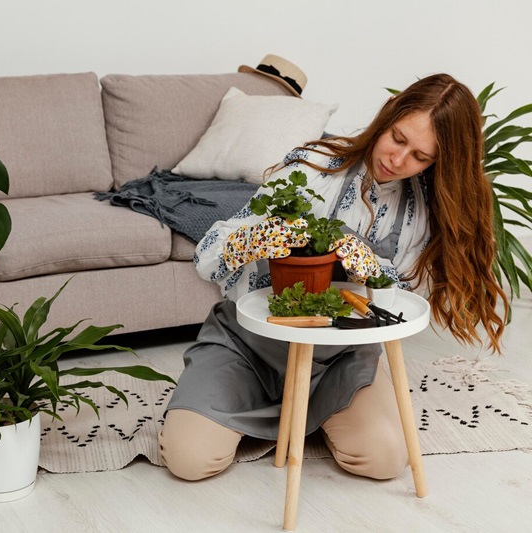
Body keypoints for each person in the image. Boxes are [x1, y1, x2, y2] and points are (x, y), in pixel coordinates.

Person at [158, 73, 509, 482]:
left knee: (384, 460)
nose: (398, 161)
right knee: (189, 459)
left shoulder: (422, 209)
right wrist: (254, 240)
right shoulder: (311, 167)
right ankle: (288, 415)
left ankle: (315, 412)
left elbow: (405, 296)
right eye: (397, 138)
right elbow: (208, 256)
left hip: (342, 357)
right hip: (249, 346)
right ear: (388, 116)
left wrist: (372, 270)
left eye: (420, 157)